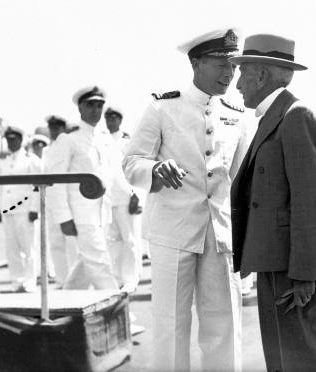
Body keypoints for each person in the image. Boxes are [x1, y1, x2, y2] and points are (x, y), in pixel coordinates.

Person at [124, 28, 249, 372]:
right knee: (172, 324)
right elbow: (131, 161)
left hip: (220, 235)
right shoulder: (162, 107)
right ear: (195, 62)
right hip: (172, 232)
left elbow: (240, 180)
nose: (230, 73)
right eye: (221, 63)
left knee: (224, 323)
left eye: (235, 66)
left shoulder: (237, 115)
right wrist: (154, 169)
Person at [229, 34, 316, 371]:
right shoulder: (275, 116)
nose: (238, 85)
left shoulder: (295, 115)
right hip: (274, 260)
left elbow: (311, 200)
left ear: (261, 75)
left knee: (304, 356)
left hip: (291, 267)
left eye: (242, 74)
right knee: (281, 357)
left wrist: (304, 275)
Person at [46, 86, 128, 290]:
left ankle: (65, 306)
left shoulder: (105, 139)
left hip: (103, 213)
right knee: (100, 264)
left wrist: (133, 195)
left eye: (99, 105)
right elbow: (56, 182)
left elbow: (117, 174)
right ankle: (117, 314)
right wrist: (64, 218)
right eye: (90, 105)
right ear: (80, 108)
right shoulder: (69, 139)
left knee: (87, 263)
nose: (95, 110)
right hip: (80, 214)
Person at [0, 126, 41, 292]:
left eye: (14, 139)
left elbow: (37, 186)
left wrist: (35, 208)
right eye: (8, 139)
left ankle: (29, 283)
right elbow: (0, 187)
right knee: (11, 249)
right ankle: (16, 282)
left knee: (29, 248)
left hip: (25, 210)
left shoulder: (31, 160)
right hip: (8, 210)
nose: (10, 142)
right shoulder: (4, 162)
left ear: (21, 140)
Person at [104, 106, 143, 293]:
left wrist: (136, 195)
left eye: (114, 118)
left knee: (130, 240)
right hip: (108, 198)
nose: (110, 121)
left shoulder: (126, 141)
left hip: (126, 197)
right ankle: (118, 277)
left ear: (120, 120)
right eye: (108, 118)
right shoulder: (102, 140)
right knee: (113, 241)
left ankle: (131, 278)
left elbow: (133, 169)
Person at [42, 115, 78, 288]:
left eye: (58, 126)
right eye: (52, 127)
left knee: (72, 244)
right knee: (56, 243)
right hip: (51, 200)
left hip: (66, 200)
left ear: (64, 128)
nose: (54, 130)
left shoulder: (68, 144)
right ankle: (62, 280)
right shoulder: (47, 150)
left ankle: (73, 282)